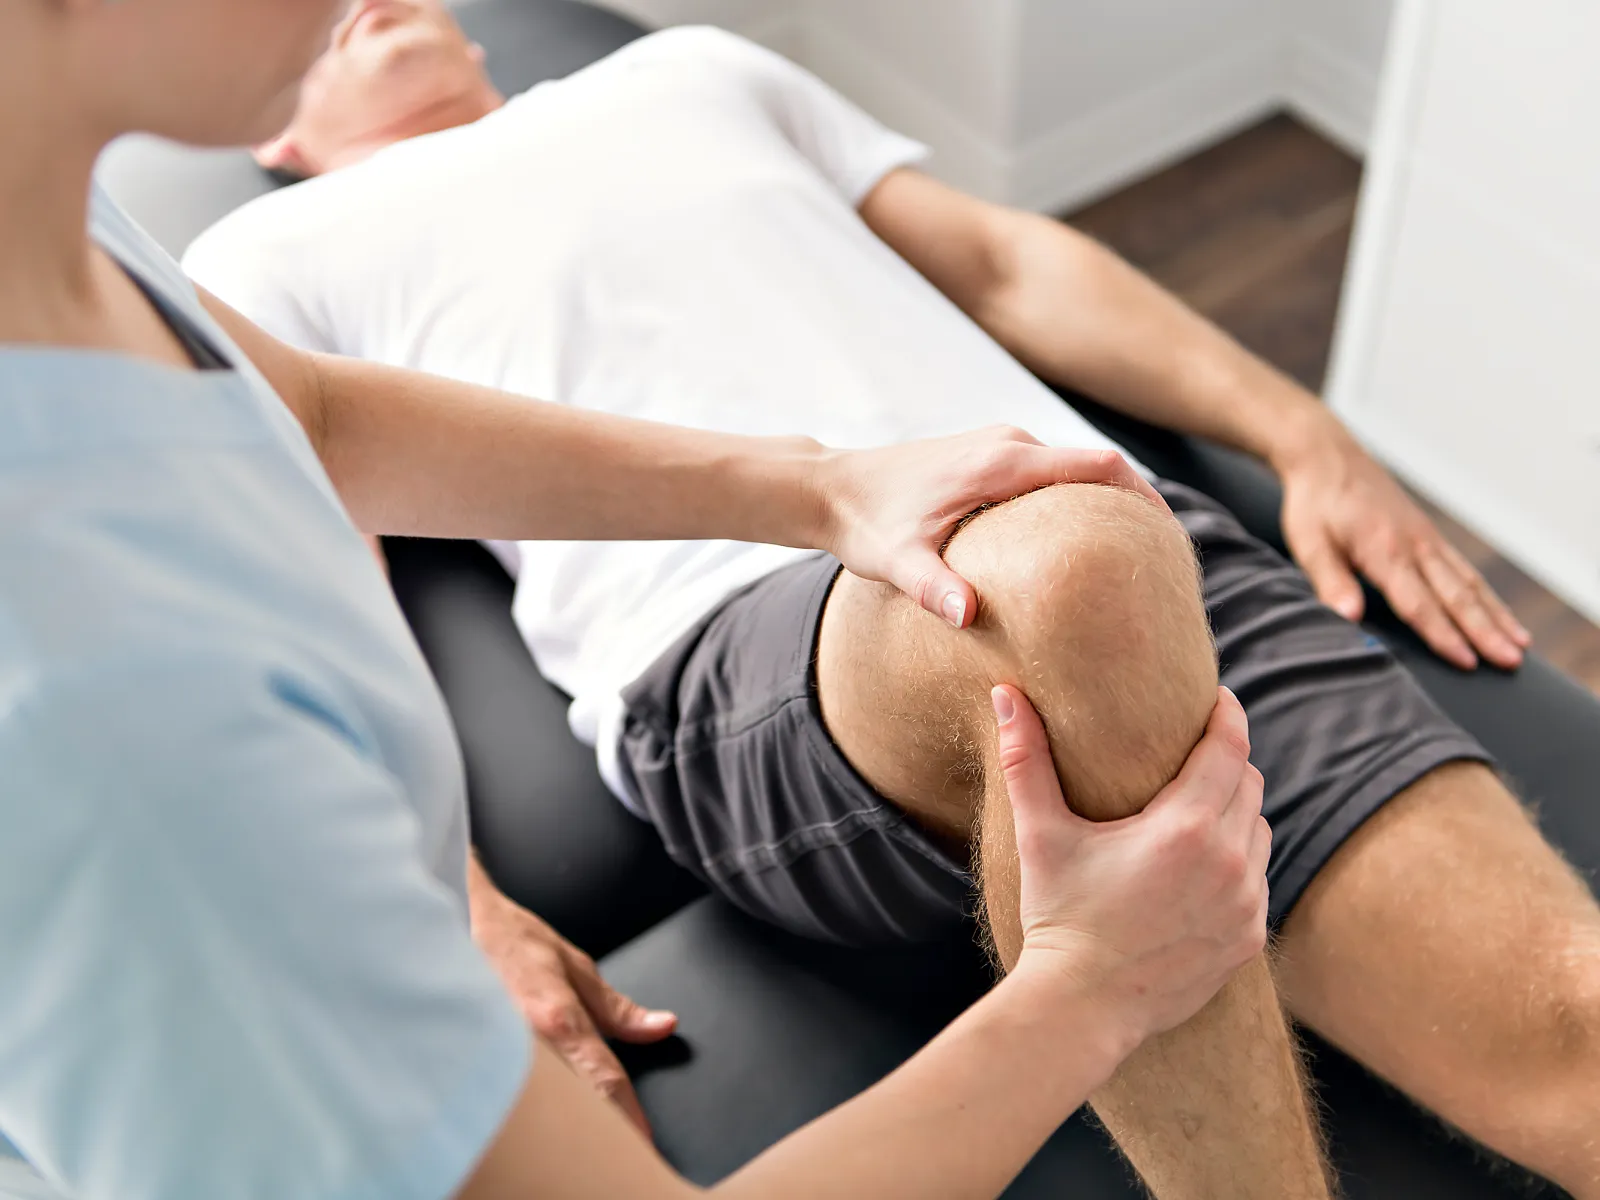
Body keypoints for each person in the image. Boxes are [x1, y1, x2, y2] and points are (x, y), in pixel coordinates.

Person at [182, 9, 1600, 1199]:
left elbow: (1004, 262)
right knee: (1059, 569)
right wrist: (458, 901)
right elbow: (308, 583)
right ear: (271, 136)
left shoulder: (685, 71)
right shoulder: (264, 264)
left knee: (1576, 1033)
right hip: (756, 654)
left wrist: (1304, 432)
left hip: (1127, 546)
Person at [0, 2, 1272, 1199]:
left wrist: (819, 488)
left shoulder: (53, 218)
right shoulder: (110, 721)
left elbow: (314, 411)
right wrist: (1092, 987)